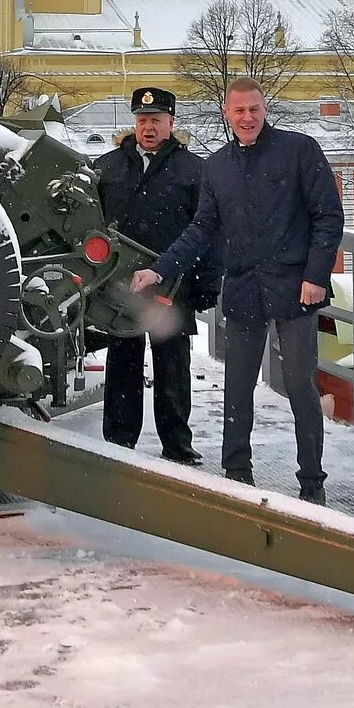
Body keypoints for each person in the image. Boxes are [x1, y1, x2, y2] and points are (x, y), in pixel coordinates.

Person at [133, 77, 345, 502]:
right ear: (226, 114)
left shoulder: (299, 151)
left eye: (254, 109)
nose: (247, 118)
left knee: (300, 386)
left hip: (296, 287)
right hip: (245, 287)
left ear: (264, 110)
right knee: (237, 385)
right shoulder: (218, 166)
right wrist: (159, 270)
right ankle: (236, 471)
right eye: (239, 111)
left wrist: (316, 277)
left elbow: (328, 217)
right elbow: (203, 228)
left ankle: (312, 482)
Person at [91, 86, 211, 462]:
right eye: (142, 120)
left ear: (171, 123)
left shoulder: (194, 170)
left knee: (173, 367)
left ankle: (177, 445)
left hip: (173, 285)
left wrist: (207, 284)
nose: (148, 127)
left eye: (156, 120)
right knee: (123, 363)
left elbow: (208, 230)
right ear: (134, 123)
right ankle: (119, 442)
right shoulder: (107, 167)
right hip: (119, 285)